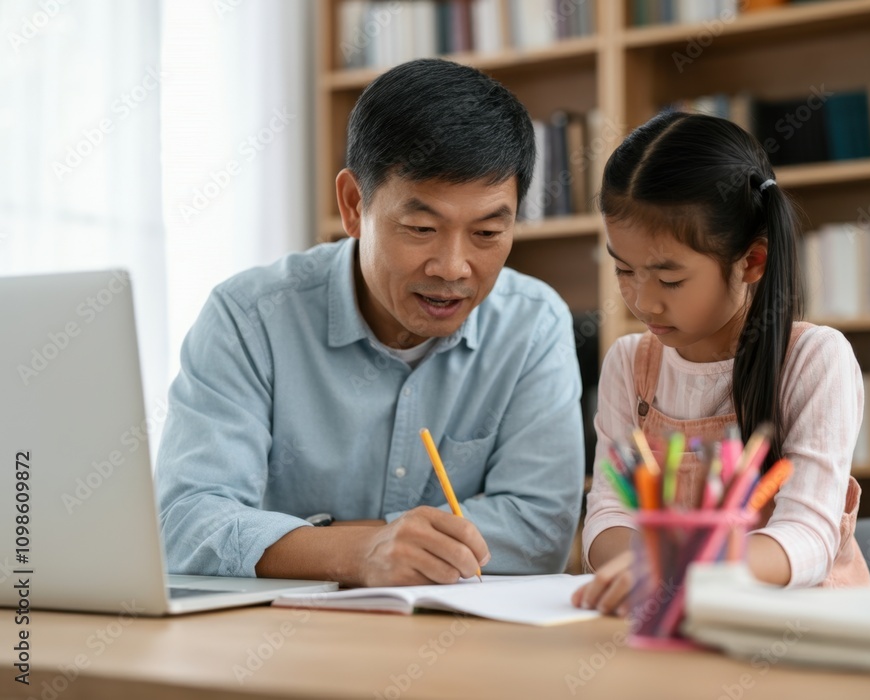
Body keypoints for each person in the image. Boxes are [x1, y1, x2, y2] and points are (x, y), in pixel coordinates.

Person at [155, 58, 584, 588]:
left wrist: (325, 541)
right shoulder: (249, 317)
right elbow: (185, 521)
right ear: (354, 205)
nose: (453, 268)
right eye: (421, 227)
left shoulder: (533, 324)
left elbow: (540, 533)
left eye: (488, 234)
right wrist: (359, 551)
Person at [571, 111, 870, 616]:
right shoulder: (629, 362)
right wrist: (644, 571)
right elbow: (607, 513)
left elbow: (806, 536)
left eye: (669, 280)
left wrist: (678, 572)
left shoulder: (815, 359)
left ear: (752, 260)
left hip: (803, 632)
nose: (642, 302)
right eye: (624, 269)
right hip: (673, 628)